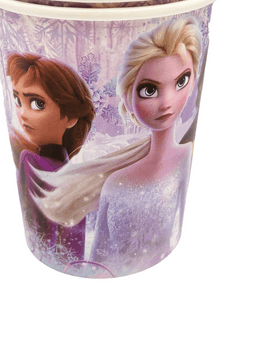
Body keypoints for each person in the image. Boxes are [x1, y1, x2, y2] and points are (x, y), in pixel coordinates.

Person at [32, 17, 202, 276]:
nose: (167, 102)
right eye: (148, 90)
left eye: (181, 81)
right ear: (128, 98)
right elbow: (98, 257)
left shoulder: (183, 159)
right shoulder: (114, 183)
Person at [6, 53, 95, 262]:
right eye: (18, 100)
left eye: (37, 103)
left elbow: (39, 236)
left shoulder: (31, 162)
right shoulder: (76, 180)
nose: (22, 114)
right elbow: (74, 255)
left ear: (71, 117)